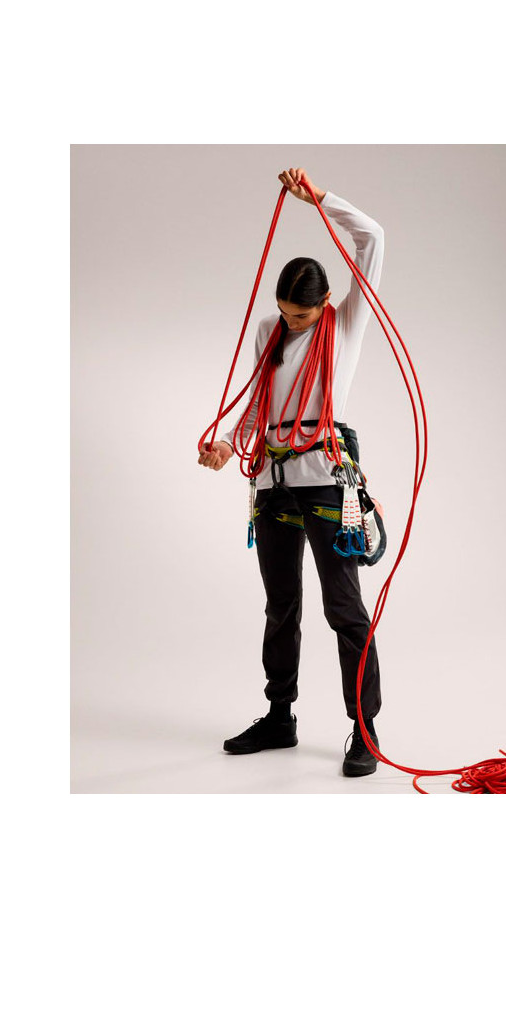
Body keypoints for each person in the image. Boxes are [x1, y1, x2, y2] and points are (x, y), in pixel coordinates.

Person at [197, 167, 386, 777]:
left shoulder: (345, 323)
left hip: (327, 481)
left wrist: (321, 199)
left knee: (344, 608)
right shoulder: (269, 331)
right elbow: (256, 404)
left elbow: (374, 238)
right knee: (281, 606)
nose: (293, 323)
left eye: (301, 315)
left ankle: (364, 728)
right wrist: (227, 444)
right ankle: (280, 716)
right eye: (285, 313)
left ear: (324, 304)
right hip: (274, 484)